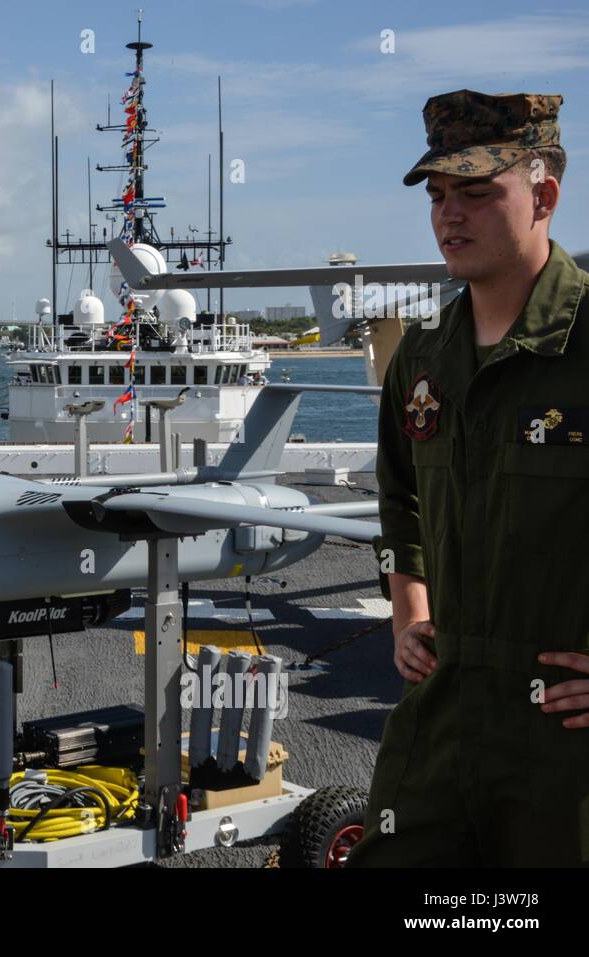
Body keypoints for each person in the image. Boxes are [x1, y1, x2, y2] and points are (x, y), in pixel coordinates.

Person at [350, 91, 589, 866]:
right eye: (439, 194)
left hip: (563, 741)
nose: (449, 214)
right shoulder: (420, 362)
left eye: (477, 192)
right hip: (440, 717)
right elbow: (398, 502)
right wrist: (406, 611)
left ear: (544, 194)